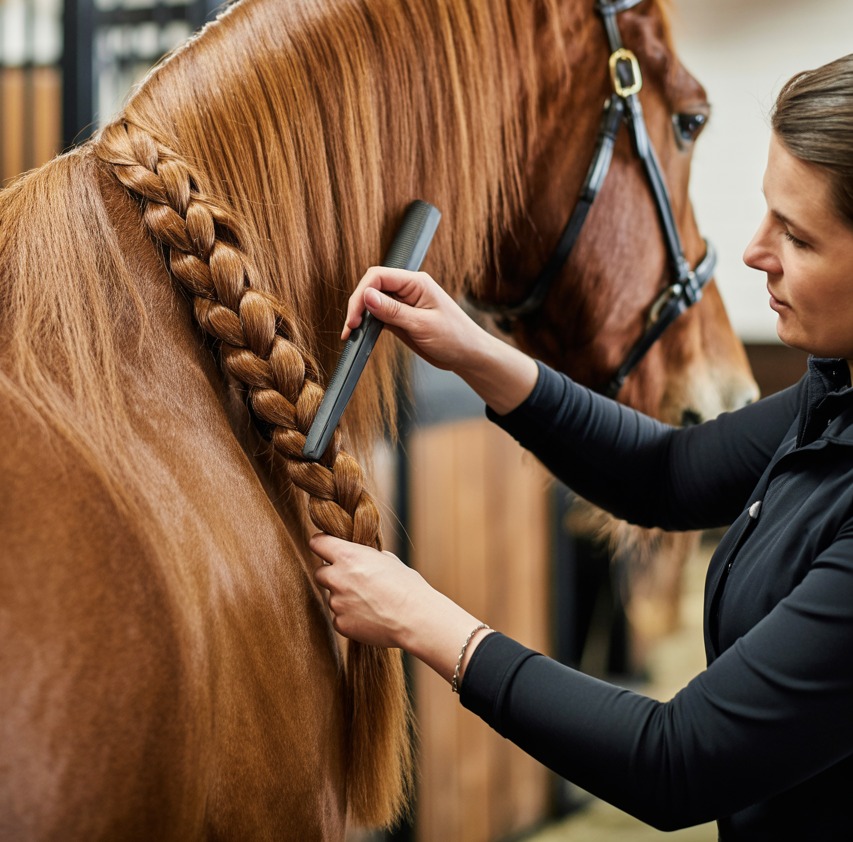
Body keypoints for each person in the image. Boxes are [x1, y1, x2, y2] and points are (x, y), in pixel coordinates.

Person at [308, 53, 853, 842]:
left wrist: (423, 618)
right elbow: (668, 474)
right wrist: (475, 351)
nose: (754, 251)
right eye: (770, 215)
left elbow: (678, 761)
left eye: (797, 237)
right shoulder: (834, 391)